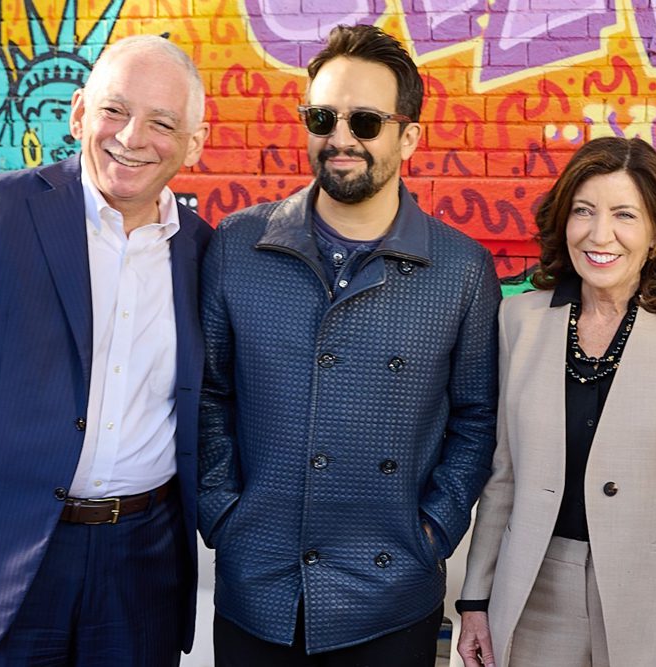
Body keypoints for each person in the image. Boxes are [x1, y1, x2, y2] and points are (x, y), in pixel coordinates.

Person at [0, 35, 211, 664]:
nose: (132, 137)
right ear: (79, 112)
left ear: (193, 143)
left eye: (163, 123)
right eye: (114, 110)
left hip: (143, 569)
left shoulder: (203, 252)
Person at [197, 24, 500, 664]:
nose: (341, 138)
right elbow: (208, 395)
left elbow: (477, 419)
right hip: (259, 586)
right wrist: (224, 515)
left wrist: (435, 528)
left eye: (365, 121)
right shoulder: (238, 245)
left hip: (390, 594)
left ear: (408, 136)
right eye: (322, 117)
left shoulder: (460, 268)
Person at [454, 136, 656, 667]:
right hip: (533, 595)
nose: (600, 234)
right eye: (584, 212)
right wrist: (475, 599)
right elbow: (503, 475)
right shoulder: (518, 322)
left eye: (624, 215)